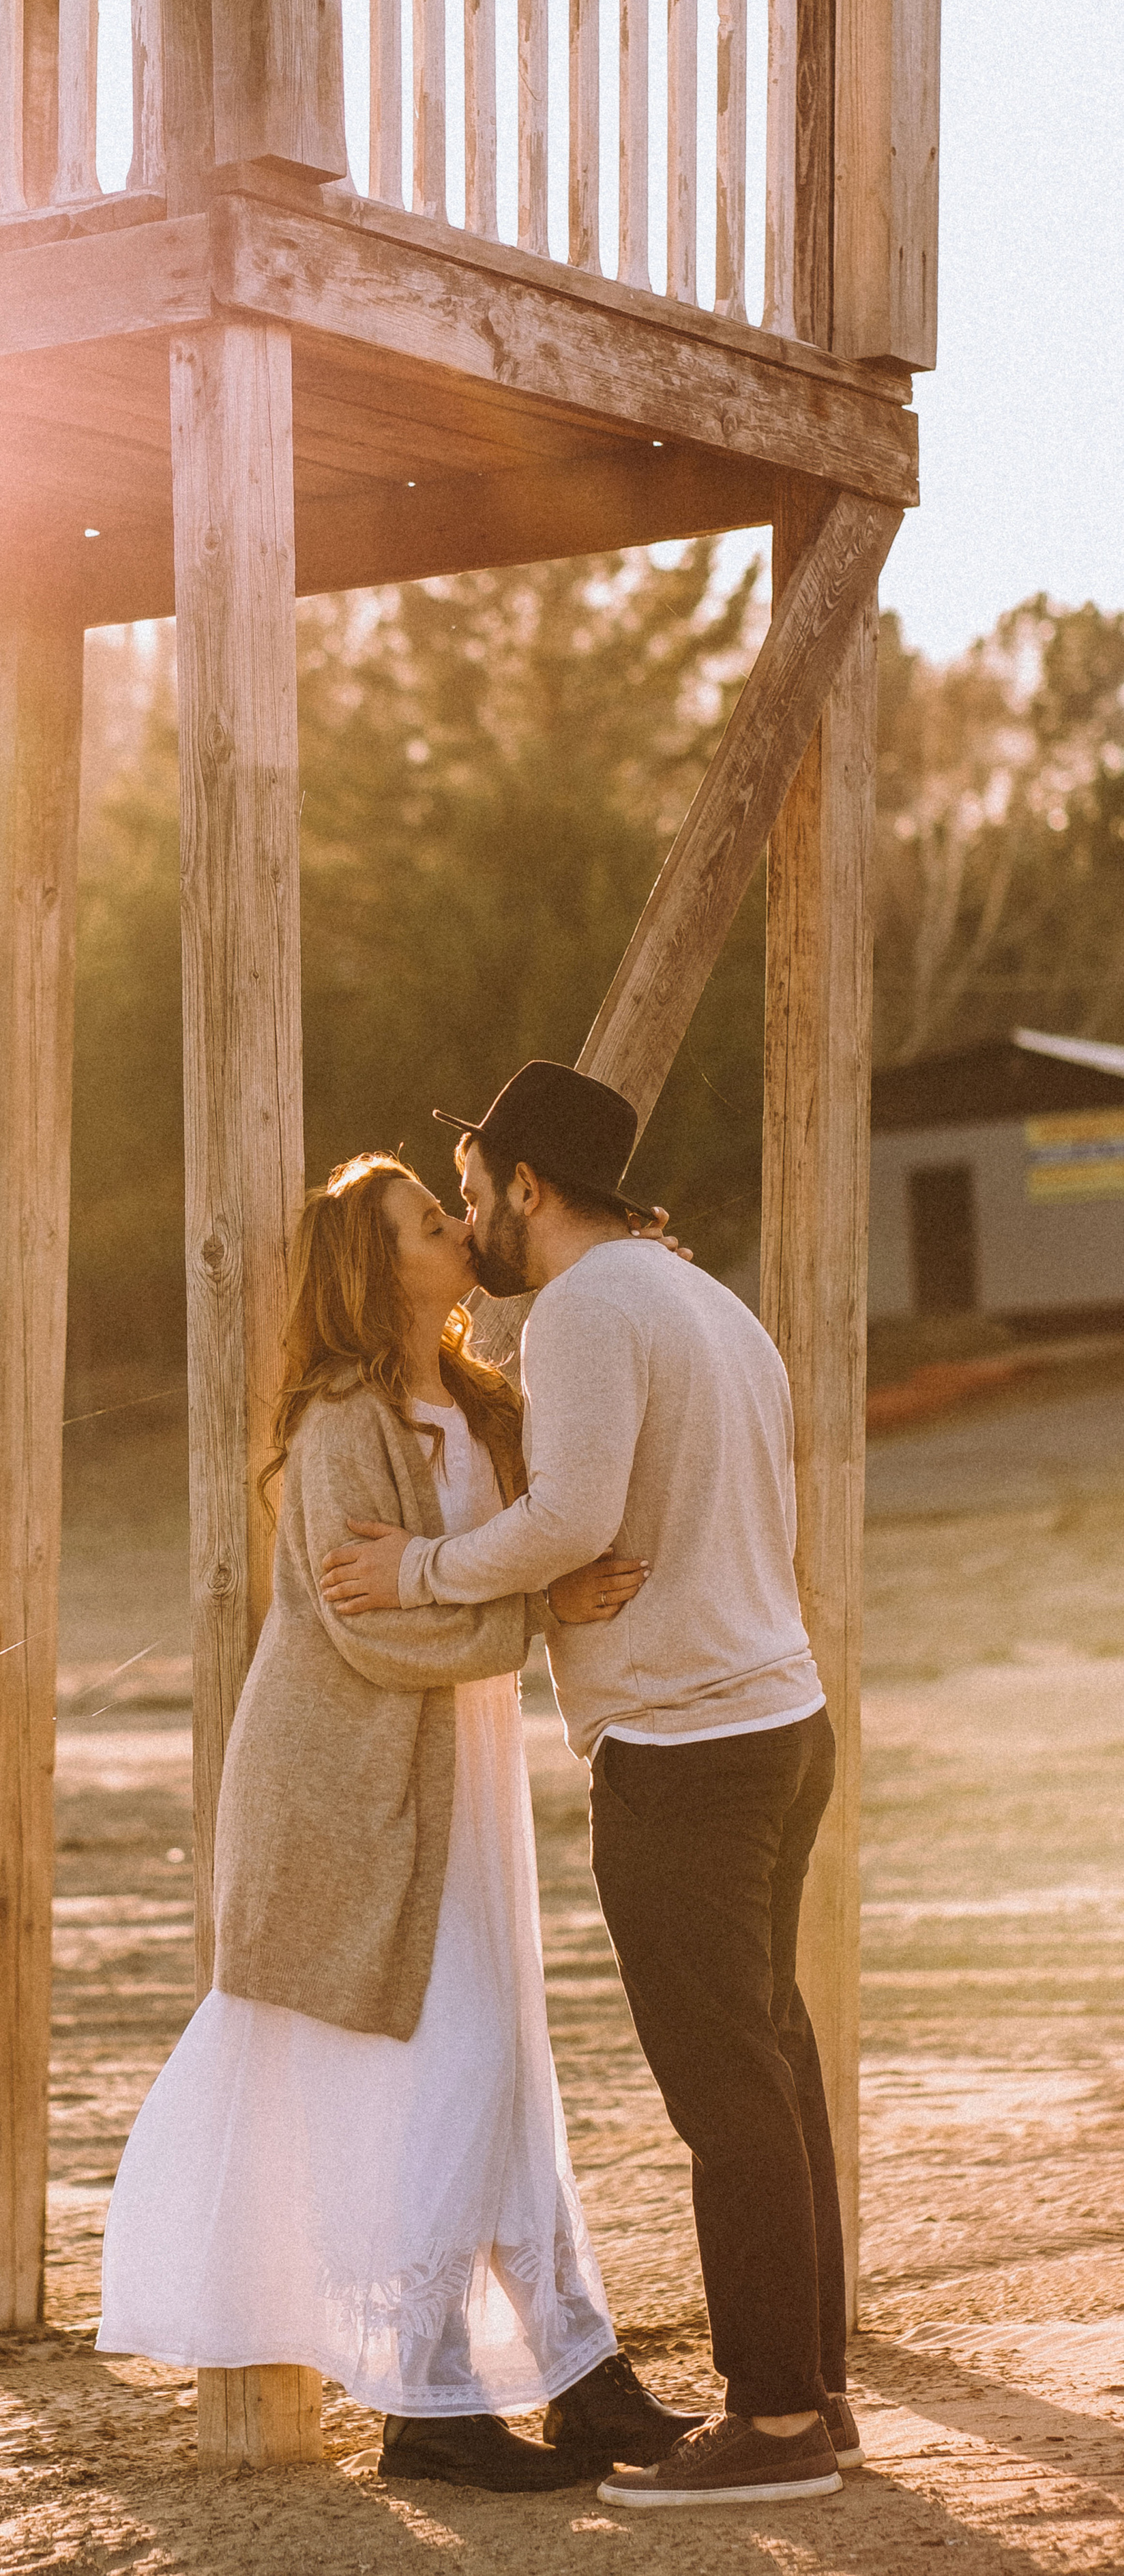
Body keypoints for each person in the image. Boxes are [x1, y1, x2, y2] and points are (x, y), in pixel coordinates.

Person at [98, 1152, 703, 2491]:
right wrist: (538, 1611)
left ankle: (576, 2382)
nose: (457, 1227)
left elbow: (537, 1528)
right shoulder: (338, 1425)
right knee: (459, 2066)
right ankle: (429, 2408)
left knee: (505, 2068)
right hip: (349, 1787)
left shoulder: (483, 1402)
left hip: (460, 1778)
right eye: (430, 1224)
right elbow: (368, 1633)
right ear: (380, 1274)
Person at [321, 1061, 861, 2510]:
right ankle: (813, 2391)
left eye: (474, 1189)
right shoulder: (697, 1295)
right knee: (771, 2060)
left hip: (686, 1744)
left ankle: (775, 2424)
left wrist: (415, 1570)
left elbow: (571, 1515)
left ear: (529, 1187)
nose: (470, 1219)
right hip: (777, 1716)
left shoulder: (582, 1311)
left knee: (726, 2089)